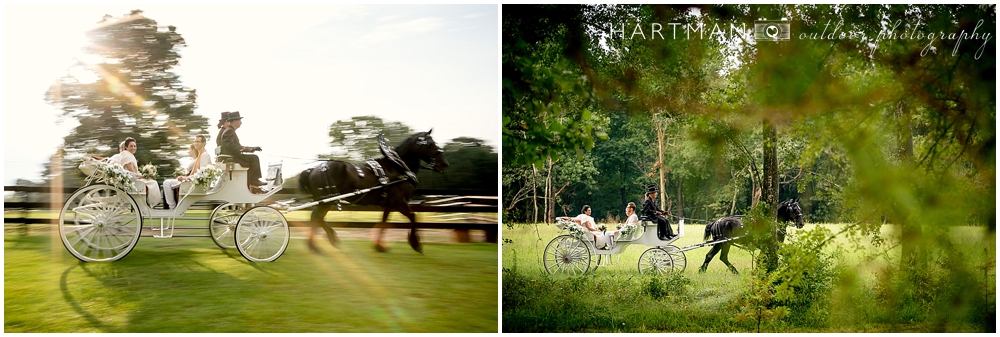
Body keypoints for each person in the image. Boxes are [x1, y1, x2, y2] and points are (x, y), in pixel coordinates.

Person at [218, 111, 266, 193]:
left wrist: (251, 149)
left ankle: (253, 182)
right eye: (239, 120)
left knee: (253, 157)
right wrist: (240, 151)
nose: (241, 122)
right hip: (231, 158)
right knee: (254, 158)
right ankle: (254, 181)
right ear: (234, 121)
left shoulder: (230, 131)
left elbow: (237, 146)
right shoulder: (229, 131)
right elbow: (230, 146)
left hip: (232, 156)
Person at [107, 137, 162, 207]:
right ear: (126, 147)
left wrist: (145, 175)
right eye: (131, 146)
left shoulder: (128, 155)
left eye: (134, 146)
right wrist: (144, 176)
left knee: (152, 181)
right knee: (153, 183)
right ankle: (150, 204)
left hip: (133, 178)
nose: (133, 148)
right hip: (132, 180)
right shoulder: (127, 156)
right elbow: (132, 173)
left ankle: (149, 203)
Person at [162, 135, 213, 209]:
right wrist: (185, 176)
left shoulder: (204, 155)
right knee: (167, 183)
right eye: (195, 141)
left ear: (204, 143)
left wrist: (186, 178)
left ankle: (172, 207)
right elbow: (192, 168)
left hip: (195, 183)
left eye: (198, 142)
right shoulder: (200, 155)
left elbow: (202, 174)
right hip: (192, 180)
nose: (196, 143)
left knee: (166, 183)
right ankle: (172, 206)